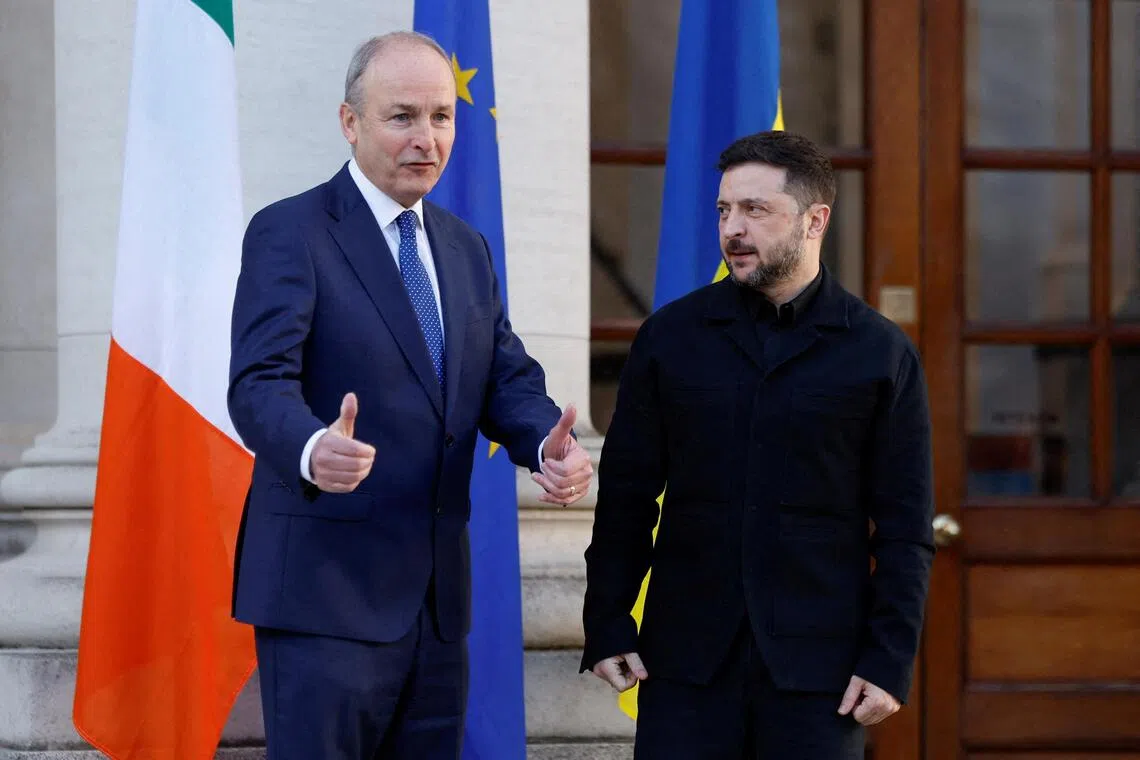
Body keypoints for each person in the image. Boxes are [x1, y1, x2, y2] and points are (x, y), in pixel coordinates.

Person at [227, 31, 593, 760]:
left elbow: (504, 377)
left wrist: (543, 443)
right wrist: (311, 447)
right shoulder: (291, 232)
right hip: (324, 596)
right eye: (402, 117)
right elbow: (257, 382)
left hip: (434, 606)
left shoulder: (464, 246)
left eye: (441, 117)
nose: (426, 138)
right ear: (350, 122)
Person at [581, 130, 935, 759]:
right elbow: (628, 498)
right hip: (686, 668)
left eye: (755, 210)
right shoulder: (670, 338)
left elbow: (906, 528)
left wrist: (889, 658)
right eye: (724, 211)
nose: (733, 229)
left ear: (814, 220)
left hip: (820, 677)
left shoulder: (880, 352)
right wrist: (606, 620)